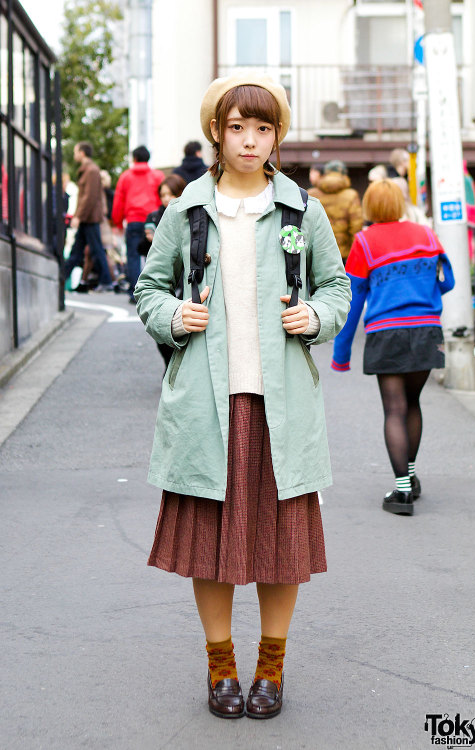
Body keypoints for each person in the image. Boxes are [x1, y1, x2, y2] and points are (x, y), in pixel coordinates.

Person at [134, 74, 351, 720]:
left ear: (277, 136)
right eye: (237, 128)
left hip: (279, 403)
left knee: (281, 548)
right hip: (208, 401)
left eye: (262, 129)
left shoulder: (302, 211)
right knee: (211, 544)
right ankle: (221, 665)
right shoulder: (187, 211)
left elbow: (337, 288)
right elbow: (150, 290)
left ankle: (272, 670)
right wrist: (177, 316)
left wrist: (313, 317)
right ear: (217, 135)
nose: (250, 141)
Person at [331, 180, 455, 516]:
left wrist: (341, 355)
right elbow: (449, 280)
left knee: (394, 410)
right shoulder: (426, 235)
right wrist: (422, 295)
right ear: (399, 204)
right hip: (428, 330)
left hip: (387, 333)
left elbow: (353, 300)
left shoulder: (365, 242)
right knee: (413, 404)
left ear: (370, 206)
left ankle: (401, 493)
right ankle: (411, 479)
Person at [138, 174, 187, 370]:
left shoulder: (190, 213)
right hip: (165, 282)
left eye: (172, 193)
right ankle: (169, 366)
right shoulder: (154, 216)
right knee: (164, 328)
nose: (167, 198)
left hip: (186, 280)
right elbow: (140, 250)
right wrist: (149, 240)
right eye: (163, 195)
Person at [112, 145, 165, 303]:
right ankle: (155, 291)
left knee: (133, 256)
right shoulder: (157, 176)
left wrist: (117, 222)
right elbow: (160, 197)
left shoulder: (126, 177)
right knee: (155, 256)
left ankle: (135, 293)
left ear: (134, 159)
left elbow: (119, 201)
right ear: (148, 158)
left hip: (134, 220)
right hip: (153, 220)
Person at [64, 142, 114, 291]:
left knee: (95, 249)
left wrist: (78, 216)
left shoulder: (91, 170)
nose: (74, 155)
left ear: (82, 153)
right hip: (87, 217)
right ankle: (60, 277)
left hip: (89, 217)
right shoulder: (88, 170)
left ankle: (106, 281)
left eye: (75, 152)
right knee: (78, 251)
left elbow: (89, 197)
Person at [308, 159, 363, 263]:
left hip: (318, 252)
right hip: (343, 255)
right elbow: (356, 227)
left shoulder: (311, 194)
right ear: (344, 175)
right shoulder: (351, 195)